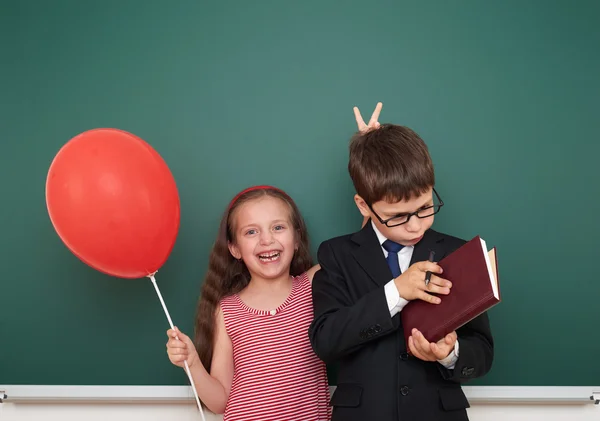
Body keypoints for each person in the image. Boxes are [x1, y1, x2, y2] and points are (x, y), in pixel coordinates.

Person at [308, 104, 494, 421]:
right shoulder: (337, 254)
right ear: (363, 206)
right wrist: (396, 292)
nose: (415, 226)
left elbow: (483, 349)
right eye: (397, 217)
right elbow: (326, 340)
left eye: (425, 208)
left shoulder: (457, 252)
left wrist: (450, 354)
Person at [166, 186, 331, 421]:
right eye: (251, 232)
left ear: (296, 239)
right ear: (234, 248)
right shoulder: (228, 310)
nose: (267, 240)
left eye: (278, 227)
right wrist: (191, 363)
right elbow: (219, 401)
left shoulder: (313, 286)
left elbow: (359, 253)